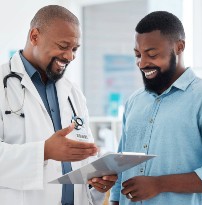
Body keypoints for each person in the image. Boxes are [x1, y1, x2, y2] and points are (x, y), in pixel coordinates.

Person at [0, 5, 117, 205]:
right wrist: (44, 151)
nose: (70, 56)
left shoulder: (73, 93)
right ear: (35, 36)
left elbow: (81, 158)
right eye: (63, 46)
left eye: (74, 49)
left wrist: (95, 180)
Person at [109, 11, 202, 205]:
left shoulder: (201, 97)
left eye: (152, 54)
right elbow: (121, 167)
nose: (142, 63)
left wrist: (160, 184)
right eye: (138, 55)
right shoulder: (134, 101)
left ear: (179, 47)